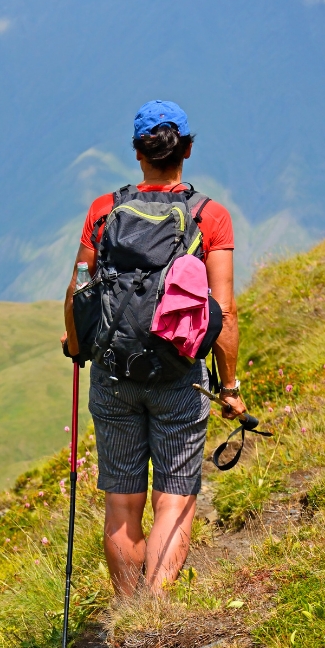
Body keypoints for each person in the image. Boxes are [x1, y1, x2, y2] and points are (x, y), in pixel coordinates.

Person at [62, 100, 247, 596]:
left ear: (138, 153)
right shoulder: (211, 217)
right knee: (174, 497)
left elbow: (79, 288)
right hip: (179, 377)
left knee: (122, 504)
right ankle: (153, 614)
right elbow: (224, 312)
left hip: (113, 374)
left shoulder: (104, 211)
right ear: (186, 149)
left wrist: (77, 345)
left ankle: (127, 611)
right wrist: (229, 387)